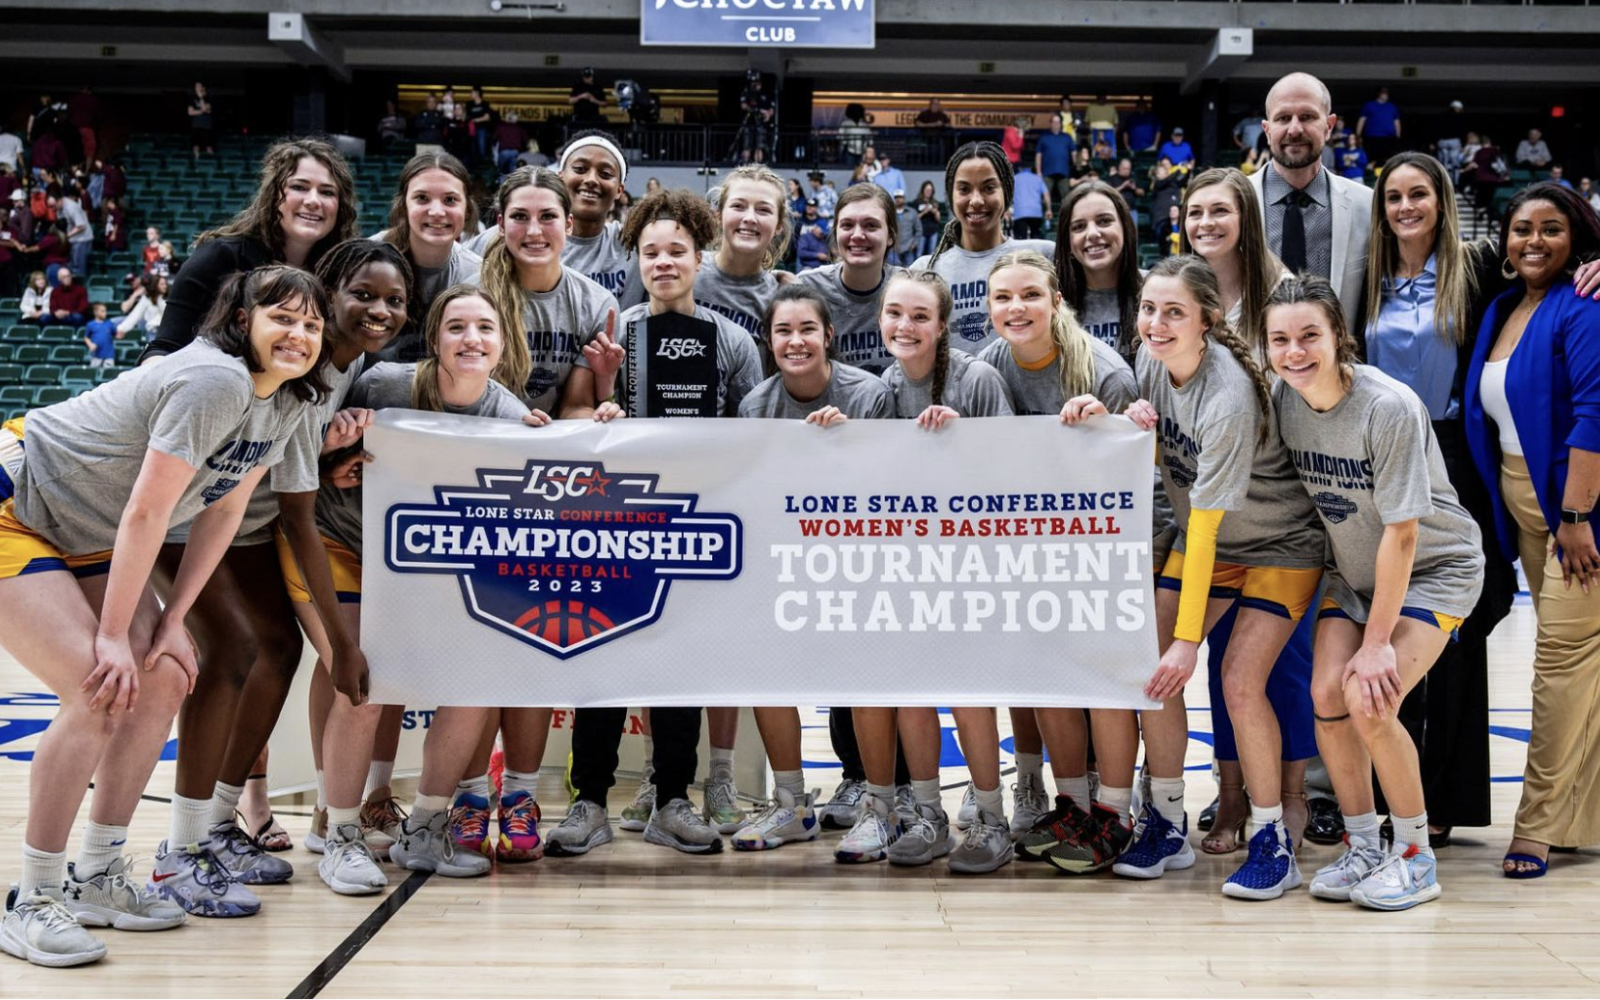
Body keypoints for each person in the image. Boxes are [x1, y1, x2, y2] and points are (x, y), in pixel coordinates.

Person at [0, 265, 329, 966]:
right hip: (17, 499)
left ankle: (98, 873)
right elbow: (149, 512)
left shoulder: (288, 398)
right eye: (282, 318)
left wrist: (173, 619)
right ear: (241, 320)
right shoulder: (216, 380)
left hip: (82, 524)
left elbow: (223, 511)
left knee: (167, 674)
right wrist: (112, 636)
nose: (299, 334)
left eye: (311, 323)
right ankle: (33, 897)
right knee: (98, 686)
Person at [308, 284, 541, 896]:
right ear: (434, 338)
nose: (471, 339)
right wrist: (333, 453)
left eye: (485, 328)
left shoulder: (510, 417)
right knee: (363, 682)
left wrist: (568, 436)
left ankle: (427, 825)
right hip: (341, 542)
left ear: (503, 344)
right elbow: (308, 449)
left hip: (422, 565)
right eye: (456, 326)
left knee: (475, 682)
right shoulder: (383, 385)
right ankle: (341, 835)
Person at [549, 188, 760, 858]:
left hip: (695, 524)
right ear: (637, 260)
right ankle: (589, 801)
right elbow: (575, 420)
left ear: (700, 258)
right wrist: (604, 401)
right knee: (603, 661)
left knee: (679, 666)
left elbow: (754, 436)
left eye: (677, 251)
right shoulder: (615, 333)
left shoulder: (733, 340)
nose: (663, 262)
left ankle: (673, 799)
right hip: (616, 524)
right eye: (651, 252)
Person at [1267, 274, 1484, 910]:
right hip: (1354, 573)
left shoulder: (1388, 407)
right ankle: (1364, 845)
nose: (1294, 352)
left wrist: (1378, 642)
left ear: (1340, 336)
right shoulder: (1284, 399)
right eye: (1280, 340)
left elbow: (1404, 534)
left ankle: (1415, 857)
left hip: (1435, 570)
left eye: (1310, 335)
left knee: (1370, 699)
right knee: (1325, 695)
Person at [1110, 255, 1325, 901]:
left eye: (1173, 311)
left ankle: (1272, 839)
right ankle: (1167, 820)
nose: (1156, 322)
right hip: (1213, 541)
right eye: (1149, 308)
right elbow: (1156, 454)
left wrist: (1188, 640)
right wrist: (1114, 418)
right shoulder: (1153, 360)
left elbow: (1203, 527)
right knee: (1149, 666)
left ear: (1206, 318)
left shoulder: (1228, 395)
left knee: (1237, 680)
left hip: (1279, 545)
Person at [1359, 152, 1529, 844]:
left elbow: (1552, 256)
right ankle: (1385, 796)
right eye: (1394, 196)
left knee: (1454, 631)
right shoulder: (1365, 278)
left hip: (1453, 455)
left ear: (1442, 201)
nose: (1406, 207)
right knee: (1385, 620)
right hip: (1377, 457)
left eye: (1419, 194)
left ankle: (1448, 799)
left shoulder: (1478, 267)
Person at [972, 251, 1141, 874]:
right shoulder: (989, 366)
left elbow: (1138, 474)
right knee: (1047, 675)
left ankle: (1116, 812)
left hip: (1108, 543)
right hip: (1035, 546)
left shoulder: (1105, 370)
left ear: (1056, 302)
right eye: (1002, 298)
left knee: (1103, 676)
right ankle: (1073, 803)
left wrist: (1100, 432)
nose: (1015, 308)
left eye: (1030, 295)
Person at [837, 268, 1012, 867]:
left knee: (967, 691)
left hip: (973, 562)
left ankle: (992, 817)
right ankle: (928, 814)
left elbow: (1020, 473)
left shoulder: (976, 379)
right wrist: (836, 437)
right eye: (894, 313)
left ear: (942, 325)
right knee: (909, 688)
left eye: (919, 316)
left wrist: (966, 443)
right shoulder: (884, 385)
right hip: (911, 562)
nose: (905, 326)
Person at [1463, 182, 1600, 878]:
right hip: (1523, 505)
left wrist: (1576, 517)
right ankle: (1581, 819)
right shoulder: (1502, 307)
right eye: (1522, 229)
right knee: (1585, 671)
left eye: (1551, 228)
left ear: (1577, 238)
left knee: (1559, 669)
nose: (1534, 241)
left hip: (1579, 513)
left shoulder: (1586, 304)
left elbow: (1595, 415)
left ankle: (1537, 827)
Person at [730, 285, 893, 853]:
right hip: (787, 559)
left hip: (860, 561)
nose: (795, 341)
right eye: (783, 331)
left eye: (806, 330)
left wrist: (843, 449)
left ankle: (881, 806)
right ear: (769, 340)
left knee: (865, 677)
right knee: (764, 672)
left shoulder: (868, 394)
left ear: (828, 335)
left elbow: (891, 489)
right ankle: (792, 806)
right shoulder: (756, 406)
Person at [142, 136, 358, 363]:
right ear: (273, 195)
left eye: (327, 192)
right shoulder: (219, 257)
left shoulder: (344, 275)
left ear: (340, 206)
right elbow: (164, 348)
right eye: (299, 187)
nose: (313, 200)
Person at [1248, 72, 1374, 324]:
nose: (1294, 129)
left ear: (1329, 126)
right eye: (1283, 118)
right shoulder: (1233, 202)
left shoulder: (1367, 205)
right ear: (1267, 130)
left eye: (1307, 117)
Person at [911, 141, 1056, 353]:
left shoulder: (1043, 256)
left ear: (1006, 192)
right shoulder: (925, 271)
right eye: (964, 189)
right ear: (951, 196)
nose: (976, 200)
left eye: (988, 188)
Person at [376, 151, 482, 362]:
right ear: (403, 206)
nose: (436, 212)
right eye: (422, 198)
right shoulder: (366, 259)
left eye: (450, 200)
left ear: (467, 210)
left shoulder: (479, 275)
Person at [695, 163, 792, 357]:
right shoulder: (686, 270)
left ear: (779, 226)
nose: (750, 218)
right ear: (718, 215)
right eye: (738, 206)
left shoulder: (778, 298)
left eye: (763, 210)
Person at [1055, 180, 1142, 357]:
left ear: (1125, 228)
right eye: (1079, 227)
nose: (1093, 233)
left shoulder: (1155, 293)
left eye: (1104, 221)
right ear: (1068, 242)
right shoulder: (1053, 305)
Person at [1036, 114, 1077, 215]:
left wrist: (1077, 169)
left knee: (1067, 198)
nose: (1056, 124)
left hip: (1063, 172)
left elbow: (1074, 153)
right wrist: (1038, 172)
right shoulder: (1044, 137)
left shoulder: (1067, 137)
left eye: (1058, 122)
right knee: (1044, 196)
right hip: (1047, 172)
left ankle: (1066, 217)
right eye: (1054, 122)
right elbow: (1038, 155)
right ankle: (1045, 217)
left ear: (1061, 124)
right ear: (1050, 123)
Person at [1356, 87, 1402, 167]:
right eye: (1383, 93)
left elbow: (1397, 122)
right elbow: (1362, 120)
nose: (1385, 95)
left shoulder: (1392, 107)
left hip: (1388, 138)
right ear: (1379, 94)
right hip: (1372, 137)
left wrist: (1398, 136)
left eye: (1387, 93)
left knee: (1387, 159)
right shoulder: (1369, 105)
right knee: (1371, 159)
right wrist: (1358, 135)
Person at [737, 71, 775, 165]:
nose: (755, 84)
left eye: (757, 82)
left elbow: (771, 108)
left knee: (759, 146)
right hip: (749, 123)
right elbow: (743, 105)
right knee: (747, 146)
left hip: (760, 123)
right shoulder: (747, 92)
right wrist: (758, 110)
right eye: (753, 82)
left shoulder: (765, 94)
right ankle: (745, 165)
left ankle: (757, 165)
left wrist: (768, 114)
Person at [118, 273, 168, 340]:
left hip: (167, 333)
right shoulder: (147, 299)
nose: (165, 286)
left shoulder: (168, 299)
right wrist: (122, 329)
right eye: (162, 284)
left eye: (165, 284)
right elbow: (135, 315)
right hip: (153, 333)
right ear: (155, 285)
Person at [1011, 159, 1049, 241]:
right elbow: (1046, 194)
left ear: (1020, 168)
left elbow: (1008, 194)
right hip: (1036, 213)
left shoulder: (1015, 179)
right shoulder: (1038, 179)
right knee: (1035, 237)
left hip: (1020, 213)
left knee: (1021, 239)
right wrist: (1049, 209)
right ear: (1031, 169)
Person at [59, 185, 90, 279]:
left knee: (78, 269)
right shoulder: (61, 208)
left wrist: (67, 235)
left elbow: (81, 225)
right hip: (73, 240)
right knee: (72, 266)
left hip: (81, 239)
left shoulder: (72, 207)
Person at [1107, 158, 1144, 229]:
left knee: (1132, 230)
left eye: (1128, 169)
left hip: (1131, 210)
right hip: (1117, 210)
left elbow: (1142, 193)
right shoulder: (1112, 178)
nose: (1127, 171)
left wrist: (1134, 188)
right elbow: (1110, 192)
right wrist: (1123, 186)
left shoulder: (1133, 178)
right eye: (1125, 169)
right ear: (1119, 168)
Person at [794, 200, 830, 269]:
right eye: (808, 205)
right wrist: (817, 255)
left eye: (812, 206)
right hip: (804, 261)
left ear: (816, 208)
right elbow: (795, 238)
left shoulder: (821, 221)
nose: (809, 208)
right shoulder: (800, 221)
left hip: (820, 265)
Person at [915, 97, 951, 162]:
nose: (936, 105)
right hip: (926, 137)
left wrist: (942, 124)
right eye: (934, 104)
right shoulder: (924, 114)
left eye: (937, 104)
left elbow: (948, 124)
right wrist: (933, 124)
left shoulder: (942, 115)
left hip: (940, 139)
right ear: (930, 105)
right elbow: (918, 124)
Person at [82, 301, 117, 368]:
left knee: (108, 373)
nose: (105, 313)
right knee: (94, 372)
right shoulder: (91, 324)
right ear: (95, 312)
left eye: (105, 311)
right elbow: (86, 337)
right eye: (102, 311)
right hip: (96, 355)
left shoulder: (109, 324)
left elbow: (116, 334)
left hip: (109, 355)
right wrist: (90, 345)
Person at [464, 86, 494, 165]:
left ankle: (482, 164)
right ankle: (473, 164)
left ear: (477, 93)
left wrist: (475, 120)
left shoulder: (485, 104)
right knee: (471, 147)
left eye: (472, 93)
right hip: (471, 129)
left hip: (481, 128)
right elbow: (466, 116)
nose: (470, 94)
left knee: (481, 147)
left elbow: (487, 117)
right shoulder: (469, 104)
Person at [913, 180, 942, 258]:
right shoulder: (917, 202)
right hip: (921, 231)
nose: (929, 192)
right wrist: (924, 212)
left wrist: (935, 212)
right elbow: (915, 219)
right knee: (919, 253)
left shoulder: (935, 202)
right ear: (923, 190)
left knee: (931, 254)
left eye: (930, 190)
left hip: (933, 230)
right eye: (927, 190)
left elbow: (938, 219)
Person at [493, 112, 526, 177]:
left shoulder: (500, 127)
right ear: (515, 119)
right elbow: (525, 140)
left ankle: (502, 181)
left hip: (503, 152)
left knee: (501, 172)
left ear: (506, 118)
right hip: (515, 151)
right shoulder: (519, 128)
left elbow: (494, 139)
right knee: (513, 173)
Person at [188, 82, 214, 159]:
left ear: (203, 88)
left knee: (208, 147)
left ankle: (211, 161)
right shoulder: (192, 99)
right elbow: (190, 112)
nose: (197, 88)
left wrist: (201, 98)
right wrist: (202, 111)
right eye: (196, 87)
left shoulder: (209, 98)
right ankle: (196, 160)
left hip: (207, 126)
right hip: (196, 125)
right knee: (195, 146)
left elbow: (206, 109)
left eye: (199, 86)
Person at [893, 189, 919, 267]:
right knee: (894, 271)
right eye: (896, 197)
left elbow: (918, 229)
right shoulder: (890, 212)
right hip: (894, 249)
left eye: (900, 197)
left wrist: (914, 244)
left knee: (910, 270)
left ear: (904, 199)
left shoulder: (912, 212)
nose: (898, 199)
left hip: (908, 247)